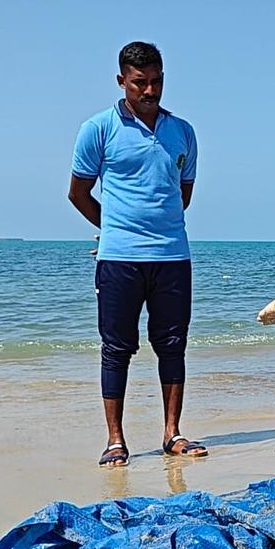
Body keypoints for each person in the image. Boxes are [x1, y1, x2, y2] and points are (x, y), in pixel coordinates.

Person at [68, 41, 207, 467]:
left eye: (157, 81)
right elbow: (78, 193)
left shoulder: (182, 132)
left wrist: (155, 229)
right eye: (140, 83)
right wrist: (115, 229)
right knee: (116, 348)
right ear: (121, 81)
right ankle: (115, 440)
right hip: (118, 259)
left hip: (171, 258)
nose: (150, 91)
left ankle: (172, 434)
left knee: (173, 345)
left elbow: (181, 195)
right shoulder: (98, 128)